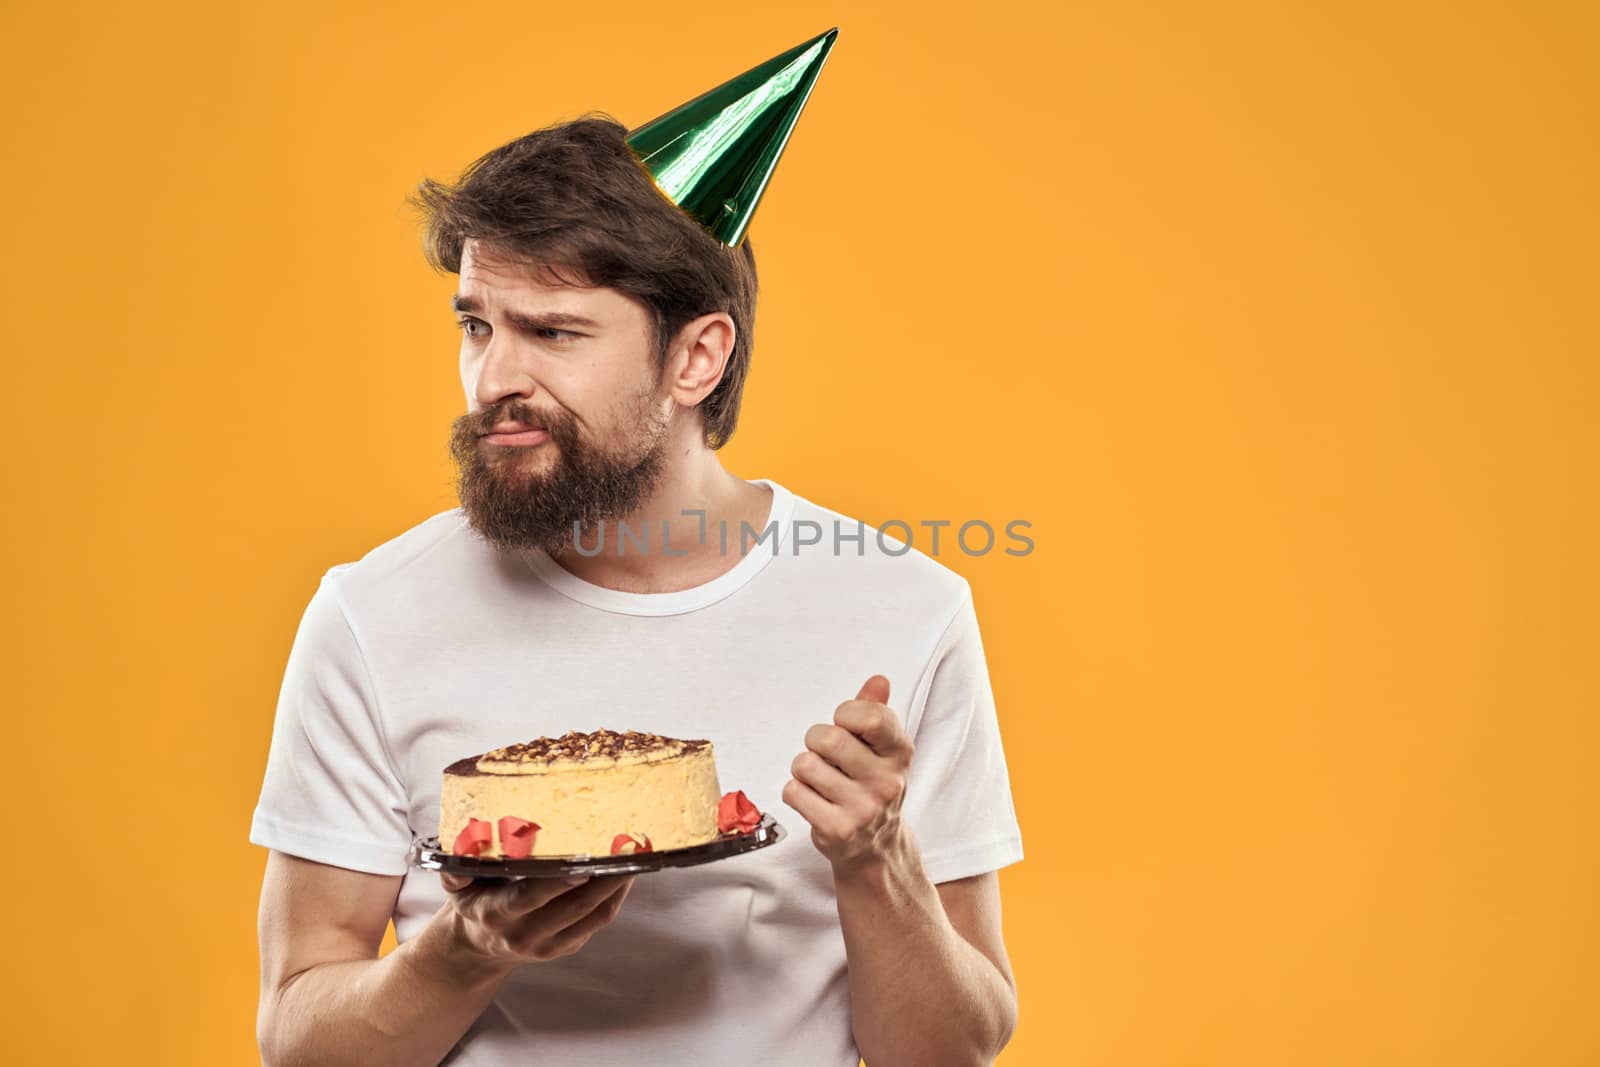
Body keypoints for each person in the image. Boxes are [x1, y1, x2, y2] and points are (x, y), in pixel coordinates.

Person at [250, 32, 1023, 1067]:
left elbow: (954, 1050)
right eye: (477, 325)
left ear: (696, 355)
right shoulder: (372, 615)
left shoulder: (903, 610)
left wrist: (873, 857)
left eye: (554, 333)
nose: (492, 380)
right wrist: (461, 952)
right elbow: (297, 1037)